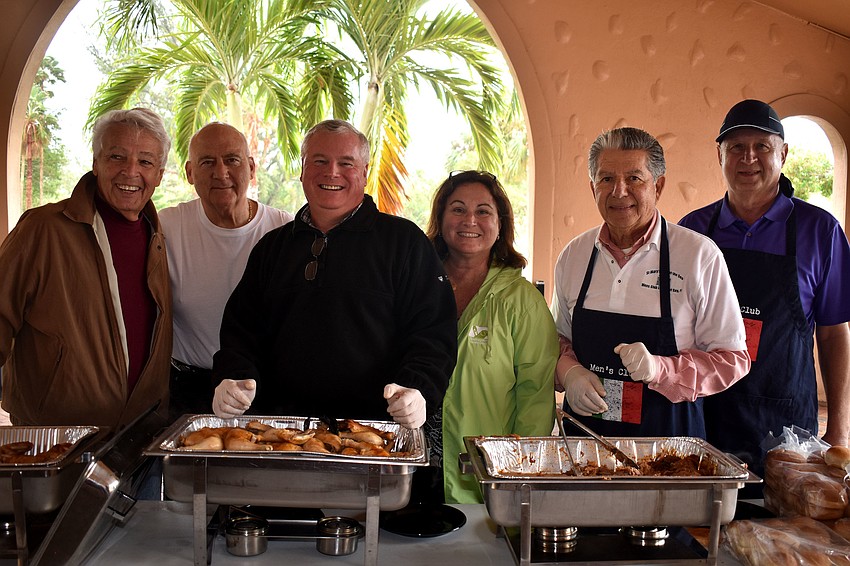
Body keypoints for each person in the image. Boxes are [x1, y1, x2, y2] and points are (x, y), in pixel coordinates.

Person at [211, 119, 456, 432]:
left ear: (365, 172)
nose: (332, 172)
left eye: (346, 163)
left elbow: (433, 332)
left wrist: (419, 389)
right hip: (281, 434)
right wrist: (230, 377)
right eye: (320, 161)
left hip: (374, 436)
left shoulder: (405, 243)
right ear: (302, 170)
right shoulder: (272, 248)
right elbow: (241, 332)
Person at [680, 99, 850, 483]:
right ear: (719, 155)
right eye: (736, 147)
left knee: (781, 535)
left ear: (784, 154)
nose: (748, 158)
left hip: (787, 428)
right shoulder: (692, 231)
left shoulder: (820, 232)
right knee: (701, 535)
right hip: (706, 420)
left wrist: (839, 428)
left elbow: (834, 331)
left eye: (762, 147)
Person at [552, 127, 750, 439]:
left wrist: (661, 370)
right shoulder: (573, 256)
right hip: (585, 444)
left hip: (669, 450)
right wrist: (569, 372)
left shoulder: (699, 255)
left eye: (634, 178)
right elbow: (558, 340)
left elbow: (732, 360)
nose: (619, 191)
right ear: (592, 188)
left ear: (658, 186)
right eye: (606, 179)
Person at [0, 108, 172, 427]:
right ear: (96, 164)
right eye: (117, 157)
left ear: (159, 175)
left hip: (140, 441)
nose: (130, 171)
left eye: (145, 161)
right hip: (55, 442)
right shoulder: (43, 229)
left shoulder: (160, 238)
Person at [425, 170, 558, 503]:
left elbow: (536, 397)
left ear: (501, 225)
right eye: (457, 209)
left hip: (484, 478)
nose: (470, 219)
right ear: (441, 220)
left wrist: (515, 476)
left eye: (483, 211)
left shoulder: (522, 300)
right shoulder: (415, 285)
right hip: (411, 468)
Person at [159, 123, 293, 418]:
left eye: (232, 160)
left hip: (266, 392)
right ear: (190, 173)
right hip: (189, 393)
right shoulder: (165, 228)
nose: (221, 173)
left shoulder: (285, 230)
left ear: (251, 167)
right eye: (207, 162)